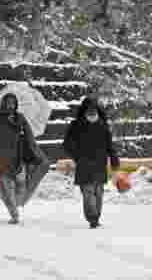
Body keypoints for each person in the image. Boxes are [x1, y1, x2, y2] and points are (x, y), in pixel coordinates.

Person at [0, 93, 51, 224]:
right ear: (3, 104)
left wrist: (34, 151)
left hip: (18, 156)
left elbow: (30, 137)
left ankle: (17, 203)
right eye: (8, 102)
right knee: (6, 187)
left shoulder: (20, 118)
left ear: (16, 104)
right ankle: (14, 214)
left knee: (21, 184)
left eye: (13, 103)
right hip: (2, 158)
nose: (11, 105)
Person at [62, 96, 120, 229]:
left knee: (98, 193)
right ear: (84, 110)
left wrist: (114, 158)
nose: (92, 112)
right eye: (89, 109)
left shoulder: (103, 125)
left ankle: (96, 217)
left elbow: (109, 145)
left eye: (94, 109)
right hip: (84, 165)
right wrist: (77, 156)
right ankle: (92, 218)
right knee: (88, 191)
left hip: (100, 164)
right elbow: (67, 144)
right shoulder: (76, 125)